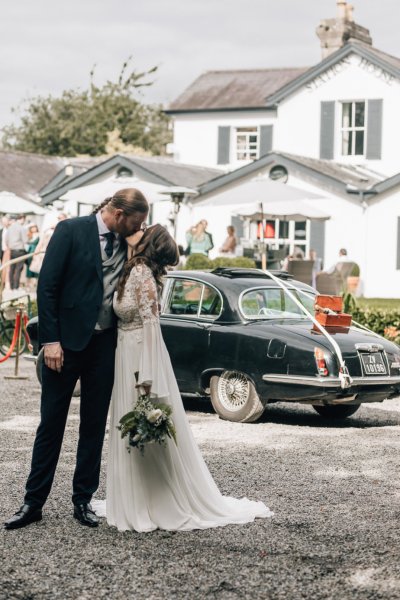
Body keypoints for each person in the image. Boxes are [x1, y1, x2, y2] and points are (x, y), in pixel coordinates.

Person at [92, 224, 273, 531]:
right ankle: (132, 497)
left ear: (148, 243)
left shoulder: (142, 275)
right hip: (126, 351)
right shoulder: (133, 270)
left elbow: (151, 326)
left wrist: (146, 376)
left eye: (142, 231)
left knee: (142, 423)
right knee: (128, 423)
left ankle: (152, 500)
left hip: (138, 356)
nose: (136, 232)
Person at [4, 189, 149, 530]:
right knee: (51, 424)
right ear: (118, 213)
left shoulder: (129, 242)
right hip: (64, 346)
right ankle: (32, 502)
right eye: (137, 221)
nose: (139, 228)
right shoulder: (70, 230)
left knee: (94, 426)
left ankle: (83, 500)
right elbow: (48, 288)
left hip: (104, 346)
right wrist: (51, 341)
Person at [6, 215, 28, 290]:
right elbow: (25, 240)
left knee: (12, 268)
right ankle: (16, 287)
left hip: (12, 250)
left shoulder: (10, 227)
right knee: (18, 269)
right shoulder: (21, 228)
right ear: (22, 219)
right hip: (20, 250)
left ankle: (11, 286)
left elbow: (6, 239)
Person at [25, 224, 40, 290]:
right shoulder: (29, 235)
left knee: (35, 267)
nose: (33, 229)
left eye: (34, 227)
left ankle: (35, 284)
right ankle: (29, 285)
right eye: (32, 227)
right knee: (29, 268)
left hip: (36, 253)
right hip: (29, 252)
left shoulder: (39, 235)